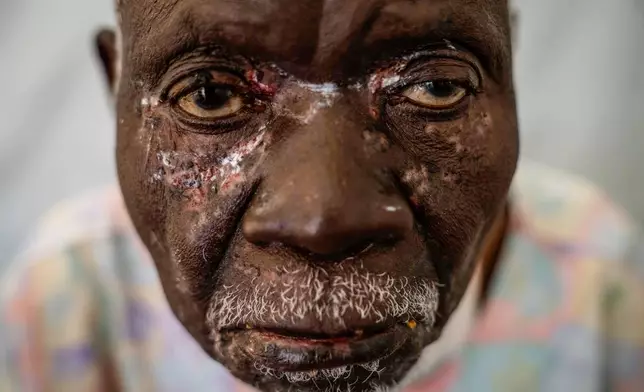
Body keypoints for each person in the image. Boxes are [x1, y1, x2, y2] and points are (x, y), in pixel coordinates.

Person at [1, 0, 643, 391]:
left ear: (509, 74)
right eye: (210, 96)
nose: (321, 216)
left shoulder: (599, 284)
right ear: (118, 87)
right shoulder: (66, 301)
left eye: (435, 88)